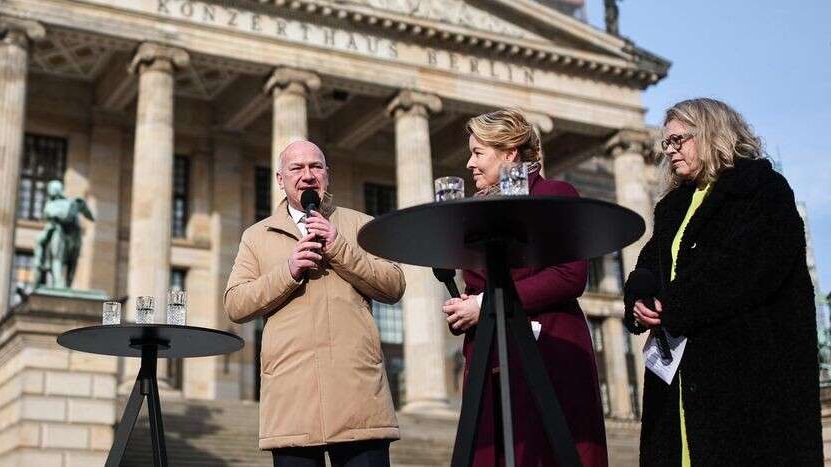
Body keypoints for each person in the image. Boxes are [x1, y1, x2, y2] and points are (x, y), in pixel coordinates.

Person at [625, 98, 821, 465]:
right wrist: (639, 296)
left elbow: (745, 269)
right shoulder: (674, 205)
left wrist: (673, 306)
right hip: (681, 380)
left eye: (678, 140)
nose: (670, 151)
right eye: (666, 143)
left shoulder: (762, 190)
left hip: (746, 379)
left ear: (712, 133)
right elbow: (650, 263)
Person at [441, 109, 608, 466]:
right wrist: (464, 308)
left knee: (545, 452)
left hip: (548, 350)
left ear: (510, 153)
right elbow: (476, 285)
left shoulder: (555, 194)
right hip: (493, 356)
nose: (469, 163)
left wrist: (484, 305)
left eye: (478, 153)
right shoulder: (477, 211)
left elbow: (570, 275)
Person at [225, 140, 405, 467]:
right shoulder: (257, 236)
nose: (307, 175)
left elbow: (394, 284)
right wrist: (288, 270)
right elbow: (235, 303)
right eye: (297, 168)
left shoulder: (359, 225)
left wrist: (338, 246)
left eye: (315, 167)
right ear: (280, 179)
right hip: (292, 397)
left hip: (357, 396)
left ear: (327, 175)